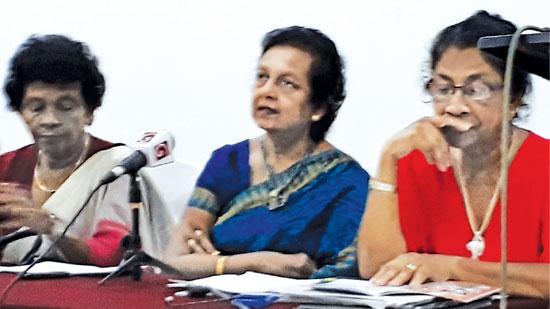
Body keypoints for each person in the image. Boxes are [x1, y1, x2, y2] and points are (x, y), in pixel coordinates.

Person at [357, 11, 549, 297]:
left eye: (476, 89)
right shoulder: (416, 161)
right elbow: (379, 270)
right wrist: (388, 161)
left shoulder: (544, 163)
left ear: (514, 98)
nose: (455, 106)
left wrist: (452, 267)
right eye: (444, 89)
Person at [165, 26, 369, 279]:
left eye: (287, 83)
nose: (267, 92)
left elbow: (346, 275)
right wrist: (258, 262)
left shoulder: (347, 182)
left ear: (319, 106)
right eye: (262, 77)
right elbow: (175, 260)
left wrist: (212, 263)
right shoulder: (228, 162)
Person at [0, 34, 172, 266]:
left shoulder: (118, 169)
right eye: (36, 108)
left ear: (89, 112)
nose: (50, 120)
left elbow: (113, 254)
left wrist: (51, 229)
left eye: (66, 107)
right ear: (21, 113)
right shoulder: (7, 166)